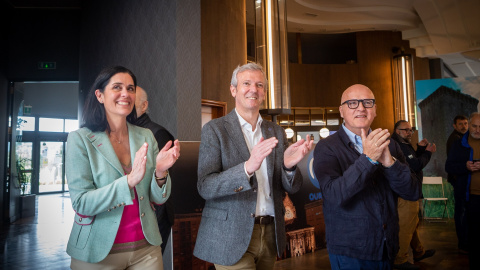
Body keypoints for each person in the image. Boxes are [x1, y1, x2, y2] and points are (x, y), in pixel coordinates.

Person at [193, 63, 313, 270]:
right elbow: (205, 186)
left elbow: (292, 187)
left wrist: (289, 167)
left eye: (259, 85)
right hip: (229, 235)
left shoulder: (276, 131)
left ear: (264, 93)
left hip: (270, 234)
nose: (253, 89)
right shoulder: (215, 130)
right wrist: (247, 167)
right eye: (246, 83)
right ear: (233, 90)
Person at [65, 66, 180, 269]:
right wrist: (129, 181)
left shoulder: (146, 136)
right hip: (97, 251)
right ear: (100, 96)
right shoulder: (80, 139)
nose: (125, 94)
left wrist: (161, 172)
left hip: (146, 249)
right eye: (117, 87)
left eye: (131, 88)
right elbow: (82, 203)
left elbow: (157, 198)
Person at [313, 84, 420, 270]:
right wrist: (368, 158)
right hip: (350, 252)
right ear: (341, 111)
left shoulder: (391, 145)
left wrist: (390, 163)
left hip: (387, 247)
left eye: (367, 102)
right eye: (352, 103)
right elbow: (334, 195)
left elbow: (412, 191)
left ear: (375, 109)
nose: (361, 108)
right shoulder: (326, 148)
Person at [134, 86, 175, 254]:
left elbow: (163, 184)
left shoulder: (158, 134)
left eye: (132, 100)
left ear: (144, 106)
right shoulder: (123, 133)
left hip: (154, 215)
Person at [391, 120, 436, 270]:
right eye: (406, 130)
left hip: (408, 189)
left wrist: (421, 149)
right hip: (406, 191)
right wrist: (428, 152)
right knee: (406, 226)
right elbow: (416, 165)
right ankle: (400, 260)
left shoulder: (402, 144)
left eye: (411, 130)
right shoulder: (398, 145)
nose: (410, 133)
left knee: (412, 223)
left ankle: (418, 252)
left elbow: (413, 161)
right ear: (397, 131)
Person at [446, 112, 480, 270]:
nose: (477, 129)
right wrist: (465, 167)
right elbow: (449, 167)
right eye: (474, 126)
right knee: (472, 236)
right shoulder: (458, 144)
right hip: (469, 198)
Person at [446, 115, 469, 253]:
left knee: (463, 212)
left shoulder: (463, 138)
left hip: (461, 180)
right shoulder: (455, 139)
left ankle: (464, 242)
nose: (464, 126)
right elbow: (451, 164)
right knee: (461, 212)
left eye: (466, 123)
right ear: (455, 126)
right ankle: (463, 243)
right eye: (460, 124)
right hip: (459, 180)